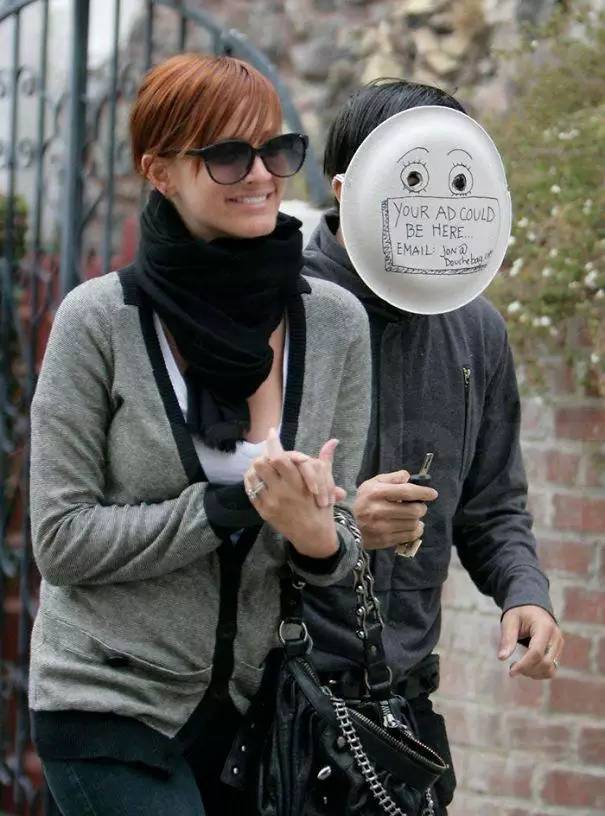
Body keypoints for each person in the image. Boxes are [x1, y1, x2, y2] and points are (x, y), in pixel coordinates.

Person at [28, 53, 371, 816]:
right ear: (160, 172)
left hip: (255, 717)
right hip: (106, 701)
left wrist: (314, 532)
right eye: (227, 155)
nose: (261, 174)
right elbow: (59, 539)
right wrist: (225, 508)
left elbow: (341, 542)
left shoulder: (336, 324)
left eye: (276, 149)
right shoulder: (99, 321)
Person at [302, 79, 564, 815]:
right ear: (347, 188)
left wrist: (524, 592)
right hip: (279, 695)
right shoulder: (279, 308)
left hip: (403, 708)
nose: (435, 211)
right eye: (413, 182)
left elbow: (492, 503)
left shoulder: (476, 330)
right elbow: (224, 505)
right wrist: (344, 522)